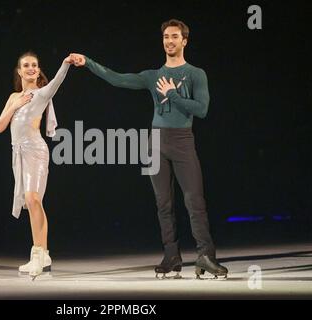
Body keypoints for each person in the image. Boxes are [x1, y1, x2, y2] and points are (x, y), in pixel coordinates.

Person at [70, 19, 228, 279]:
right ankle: (171, 256)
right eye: (166, 36)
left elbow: (202, 110)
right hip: (155, 142)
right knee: (163, 203)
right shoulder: (153, 75)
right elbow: (117, 79)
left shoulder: (196, 73)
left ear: (185, 40)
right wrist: (87, 62)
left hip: (182, 140)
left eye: (175, 36)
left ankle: (206, 255)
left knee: (194, 201)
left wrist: (173, 95)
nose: (169, 41)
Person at [0, 51, 74, 280]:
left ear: (38, 71)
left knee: (33, 199)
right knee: (31, 202)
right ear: (19, 71)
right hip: (18, 154)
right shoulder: (13, 97)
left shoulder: (41, 94)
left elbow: (57, 82)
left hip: (36, 152)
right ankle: (42, 254)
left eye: (35, 65)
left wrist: (65, 64)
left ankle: (39, 255)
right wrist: (15, 104)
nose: (31, 68)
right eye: (26, 65)